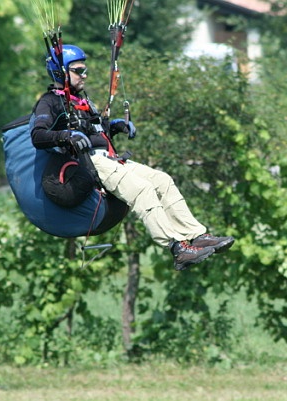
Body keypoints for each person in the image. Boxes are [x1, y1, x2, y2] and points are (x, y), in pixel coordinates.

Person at [30, 44, 234, 271]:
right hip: (89, 162)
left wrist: (116, 126)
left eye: (84, 69)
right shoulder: (50, 102)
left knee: (162, 180)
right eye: (78, 70)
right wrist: (66, 136)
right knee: (142, 190)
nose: (84, 75)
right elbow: (38, 135)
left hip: (110, 158)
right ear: (60, 73)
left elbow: (96, 129)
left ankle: (196, 236)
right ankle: (177, 248)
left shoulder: (81, 101)